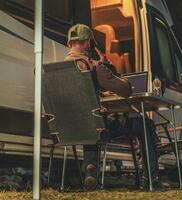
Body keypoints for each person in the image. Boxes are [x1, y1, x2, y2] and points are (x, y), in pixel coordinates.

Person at [64, 24, 159, 190]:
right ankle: (150, 179)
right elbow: (125, 90)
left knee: (91, 121)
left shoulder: (57, 67)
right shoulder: (92, 65)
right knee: (144, 123)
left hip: (66, 128)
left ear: (68, 44)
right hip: (95, 127)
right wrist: (108, 68)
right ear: (88, 43)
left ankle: (90, 171)